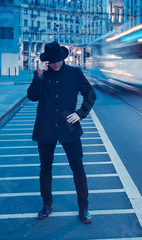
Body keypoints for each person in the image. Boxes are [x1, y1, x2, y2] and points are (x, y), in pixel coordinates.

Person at [27, 41, 96, 224]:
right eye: (52, 61)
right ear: (46, 61)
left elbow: (90, 93)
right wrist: (38, 77)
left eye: (59, 60)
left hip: (68, 125)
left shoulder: (74, 74)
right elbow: (32, 96)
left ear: (63, 58)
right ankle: (47, 205)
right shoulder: (42, 75)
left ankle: (84, 207)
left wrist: (80, 114)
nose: (56, 64)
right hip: (46, 126)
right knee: (45, 168)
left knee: (77, 167)